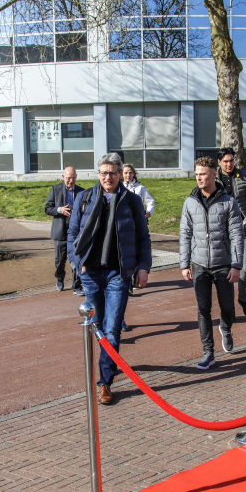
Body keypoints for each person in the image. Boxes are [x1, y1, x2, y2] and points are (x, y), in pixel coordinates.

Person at [68, 153, 152, 405]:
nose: (108, 177)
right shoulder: (85, 198)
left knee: (112, 329)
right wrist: (77, 265)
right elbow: (72, 234)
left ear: (120, 174)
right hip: (91, 274)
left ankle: (104, 382)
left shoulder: (132, 201)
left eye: (113, 173)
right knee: (99, 327)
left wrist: (143, 267)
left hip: (118, 273)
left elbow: (143, 238)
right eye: (104, 172)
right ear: (98, 174)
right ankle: (110, 361)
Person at [180, 156, 244, 370]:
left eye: (203, 174)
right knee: (203, 308)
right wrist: (184, 263)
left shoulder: (228, 201)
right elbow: (185, 233)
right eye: (197, 173)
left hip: (223, 263)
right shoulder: (190, 202)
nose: (198, 177)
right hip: (199, 263)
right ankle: (208, 352)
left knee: (227, 305)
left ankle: (225, 327)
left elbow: (236, 234)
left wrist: (236, 264)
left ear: (214, 174)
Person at [216, 147, 246, 319]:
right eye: (226, 161)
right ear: (219, 162)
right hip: (221, 231)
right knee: (224, 271)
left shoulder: (244, 176)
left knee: (244, 269)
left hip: (242, 228)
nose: (229, 164)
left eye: (231, 160)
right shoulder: (214, 179)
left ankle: (243, 299)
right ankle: (227, 308)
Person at [121, 163, 156, 329]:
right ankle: (127, 283)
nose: (128, 176)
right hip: (123, 228)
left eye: (130, 173)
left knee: (135, 254)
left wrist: (148, 212)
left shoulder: (139, 188)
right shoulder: (118, 188)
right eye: (125, 173)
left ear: (134, 174)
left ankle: (133, 277)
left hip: (137, 226)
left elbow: (151, 201)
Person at [44, 167, 85, 295]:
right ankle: (60, 277)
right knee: (60, 260)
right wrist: (59, 210)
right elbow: (47, 208)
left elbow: (87, 210)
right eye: (68, 178)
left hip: (75, 231)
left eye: (73, 177)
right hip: (60, 231)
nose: (71, 180)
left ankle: (76, 286)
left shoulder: (82, 192)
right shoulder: (55, 189)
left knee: (76, 258)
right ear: (63, 177)